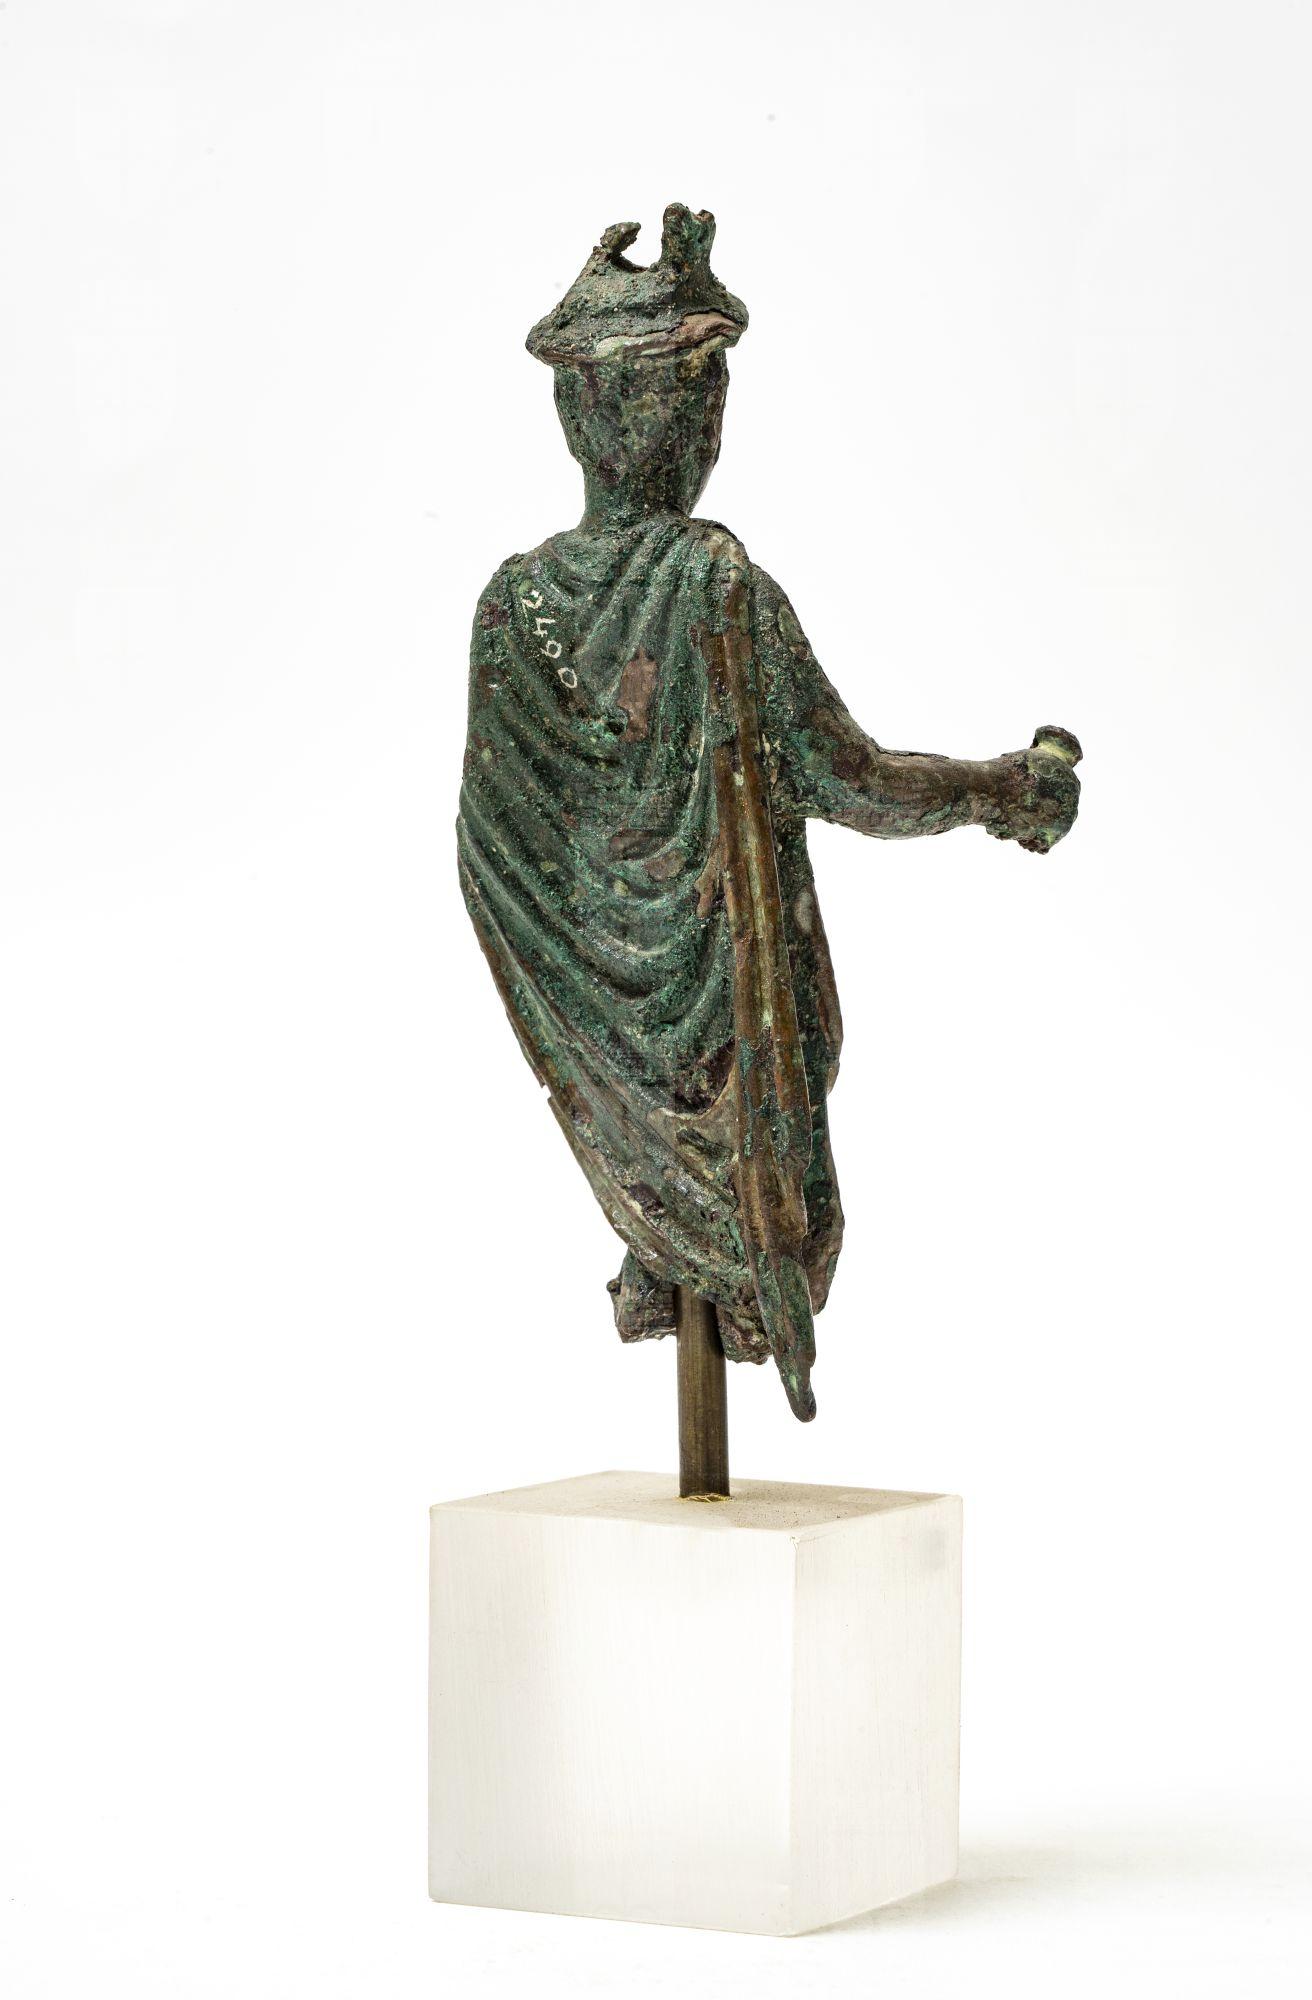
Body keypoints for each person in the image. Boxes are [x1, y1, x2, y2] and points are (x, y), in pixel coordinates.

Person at [457, 204, 1081, 1421]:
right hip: (709, 1046)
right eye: (699, 401)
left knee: (707, 1180)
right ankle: (684, 1240)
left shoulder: (512, 602)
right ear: (650, 417)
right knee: (768, 1187)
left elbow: (494, 859)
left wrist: (589, 973)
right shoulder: (712, 584)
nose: (706, 429)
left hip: (594, 1037)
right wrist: (1003, 790)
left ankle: (662, 1239)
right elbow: (850, 777)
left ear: (576, 417)